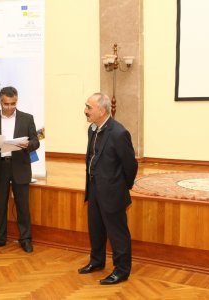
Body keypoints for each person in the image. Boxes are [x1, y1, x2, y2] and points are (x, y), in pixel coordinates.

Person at [78, 93, 138, 284]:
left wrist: (121, 187)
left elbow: (131, 166)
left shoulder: (119, 133)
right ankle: (96, 261)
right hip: (94, 188)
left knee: (117, 233)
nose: (85, 110)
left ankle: (121, 270)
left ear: (101, 111)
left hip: (113, 191)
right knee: (95, 228)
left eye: (89, 107)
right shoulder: (92, 129)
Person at [0, 86, 40, 253]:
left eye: (13, 103)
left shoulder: (27, 118)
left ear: (16, 101)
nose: (9, 107)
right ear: (0, 101)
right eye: (6, 104)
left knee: (23, 205)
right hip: (0, 167)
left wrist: (29, 144)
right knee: (0, 206)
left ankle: (26, 239)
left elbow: (36, 141)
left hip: (20, 165)